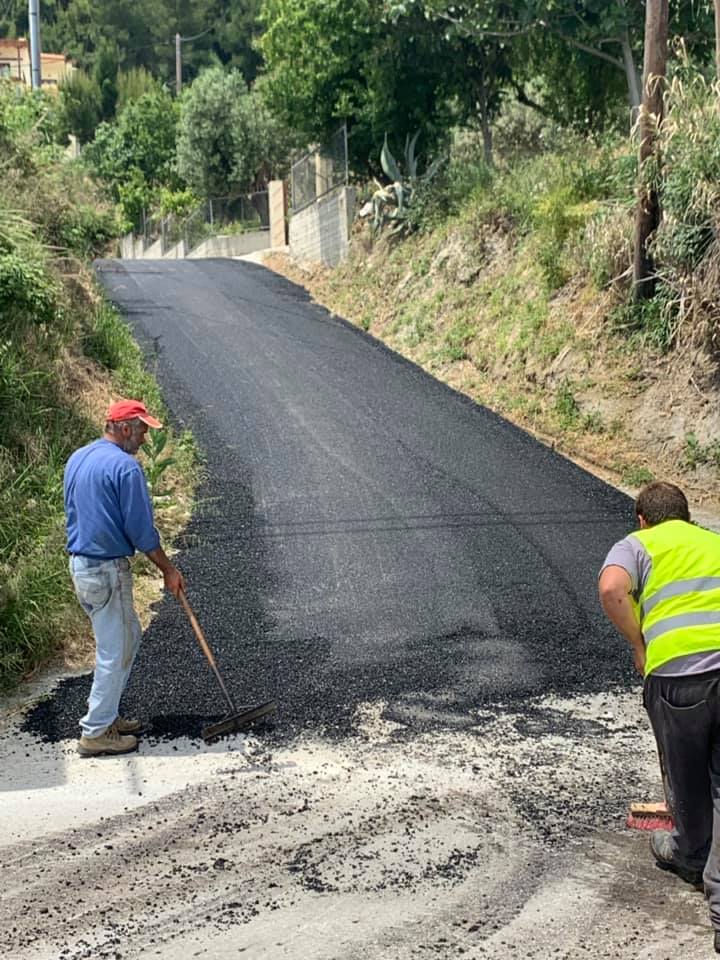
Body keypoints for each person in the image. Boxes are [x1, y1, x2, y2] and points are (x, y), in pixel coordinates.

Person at [599, 481, 720, 952]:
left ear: (642, 518)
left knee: (687, 777)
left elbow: (612, 588)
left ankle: (690, 854)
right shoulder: (712, 540)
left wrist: (639, 644)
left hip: (678, 680)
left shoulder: (638, 544)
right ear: (688, 515)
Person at [64, 398, 186, 757]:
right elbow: (141, 531)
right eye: (143, 429)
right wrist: (168, 570)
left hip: (82, 566)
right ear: (124, 427)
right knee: (114, 649)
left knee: (128, 636)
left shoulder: (79, 458)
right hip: (106, 569)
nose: (145, 438)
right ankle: (96, 731)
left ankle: (107, 715)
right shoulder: (125, 468)